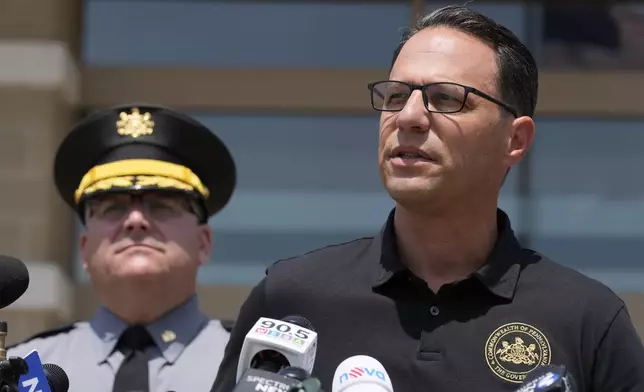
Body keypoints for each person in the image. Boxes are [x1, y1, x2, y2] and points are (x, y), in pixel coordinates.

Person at [211, 5, 644, 392]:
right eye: (396, 96)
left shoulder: (586, 322)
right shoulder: (291, 299)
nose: (409, 117)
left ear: (515, 139)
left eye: (446, 99)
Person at [8, 104, 237, 391]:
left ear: (203, 243)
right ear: (84, 248)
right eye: (112, 208)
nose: (136, 220)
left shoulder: (250, 369)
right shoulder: (20, 374)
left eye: (162, 205)